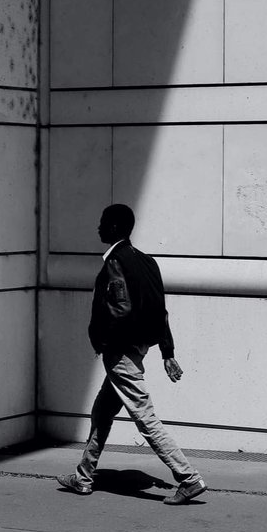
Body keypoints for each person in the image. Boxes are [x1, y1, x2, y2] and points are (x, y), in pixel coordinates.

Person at [57, 204, 207, 505]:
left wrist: (103, 341)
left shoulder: (115, 261)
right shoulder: (147, 261)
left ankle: (188, 478)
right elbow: (159, 309)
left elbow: (120, 308)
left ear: (114, 228)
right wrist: (167, 351)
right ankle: (84, 477)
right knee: (102, 412)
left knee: (145, 418)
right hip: (136, 349)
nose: (98, 227)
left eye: (102, 223)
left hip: (120, 351)